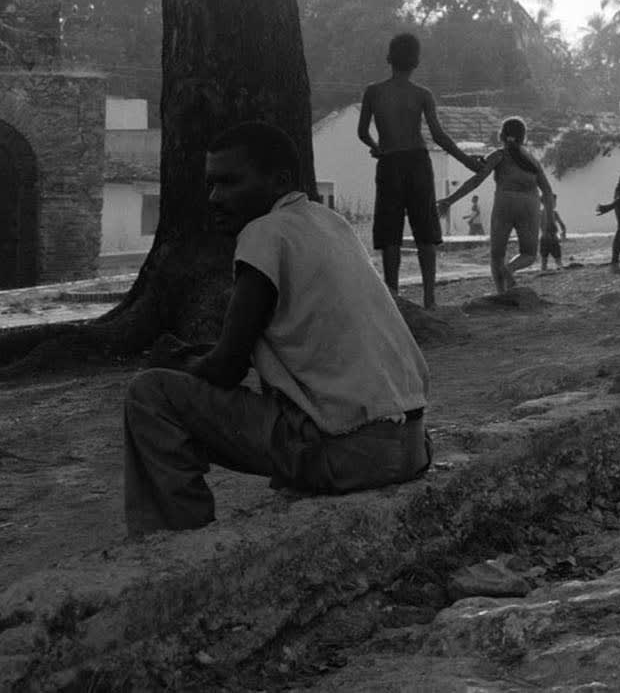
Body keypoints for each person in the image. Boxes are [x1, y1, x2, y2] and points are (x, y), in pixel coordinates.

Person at [122, 122, 432, 536]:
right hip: (411, 447)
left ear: (280, 181)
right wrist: (197, 356)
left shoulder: (263, 233)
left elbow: (227, 368)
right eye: (211, 185)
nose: (214, 198)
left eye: (230, 182)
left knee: (150, 394)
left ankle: (174, 544)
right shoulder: (330, 222)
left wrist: (173, 364)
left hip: (351, 455)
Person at [358, 33, 482, 309]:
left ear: (389, 59)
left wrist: (377, 148)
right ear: (416, 62)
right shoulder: (422, 94)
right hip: (417, 163)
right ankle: (429, 300)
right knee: (425, 230)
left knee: (390, 233)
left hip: (389, 162)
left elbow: (362, 132)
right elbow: (439, 136)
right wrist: (467, 162)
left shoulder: (373, 92)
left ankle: (393, 298)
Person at [439, 117, 557, 294]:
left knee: (497, 254)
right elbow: (547, 191)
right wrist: (551, 220)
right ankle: (510, 269)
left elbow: (476, 181)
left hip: (505, 203)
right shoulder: (532, 160)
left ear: (501, 136)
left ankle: (501, 292)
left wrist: (450, 200)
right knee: (529, 254)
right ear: (524, 137)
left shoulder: (498, 155)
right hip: (529, 206)